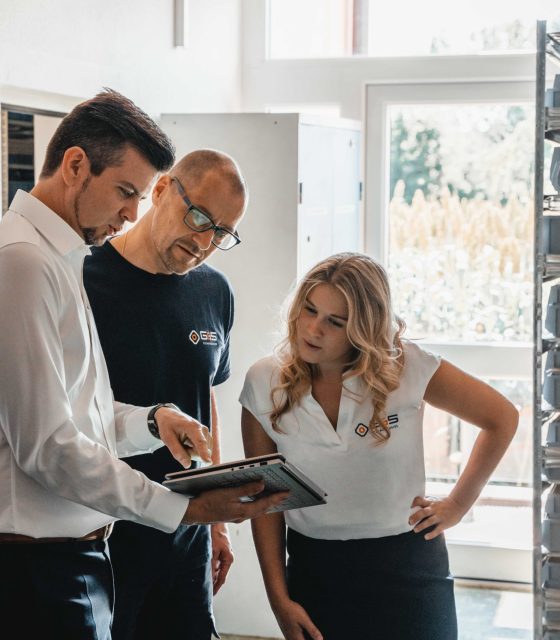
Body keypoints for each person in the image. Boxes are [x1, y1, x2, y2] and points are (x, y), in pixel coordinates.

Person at [0, 89, 287, 640]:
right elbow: (48, 448)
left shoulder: (59, 259)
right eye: (126, 192)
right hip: (37, 571)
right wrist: (181, 509)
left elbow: (82, 418)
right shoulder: (24, 264)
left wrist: (153, 421)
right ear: (76, 166)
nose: (132, 212)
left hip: (80, 557)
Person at [239, 252, 519, 640]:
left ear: (364, 329)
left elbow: (501, 418)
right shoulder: (262, 381)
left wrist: (457, 504)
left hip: (409, 567)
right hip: (316, 569)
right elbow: (264, 499)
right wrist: (277, 598)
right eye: (309, 310)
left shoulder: (407, 366)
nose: (313, 329)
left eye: (335, 322)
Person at [83, 149, 247, 639]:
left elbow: (205, 396)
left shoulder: (215, 291)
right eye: (198, 218)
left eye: (221, 233)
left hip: (188, 533)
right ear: (159, 191)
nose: (204, 242)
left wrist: (216, 520)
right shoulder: (84, 279)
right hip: (107, 531)